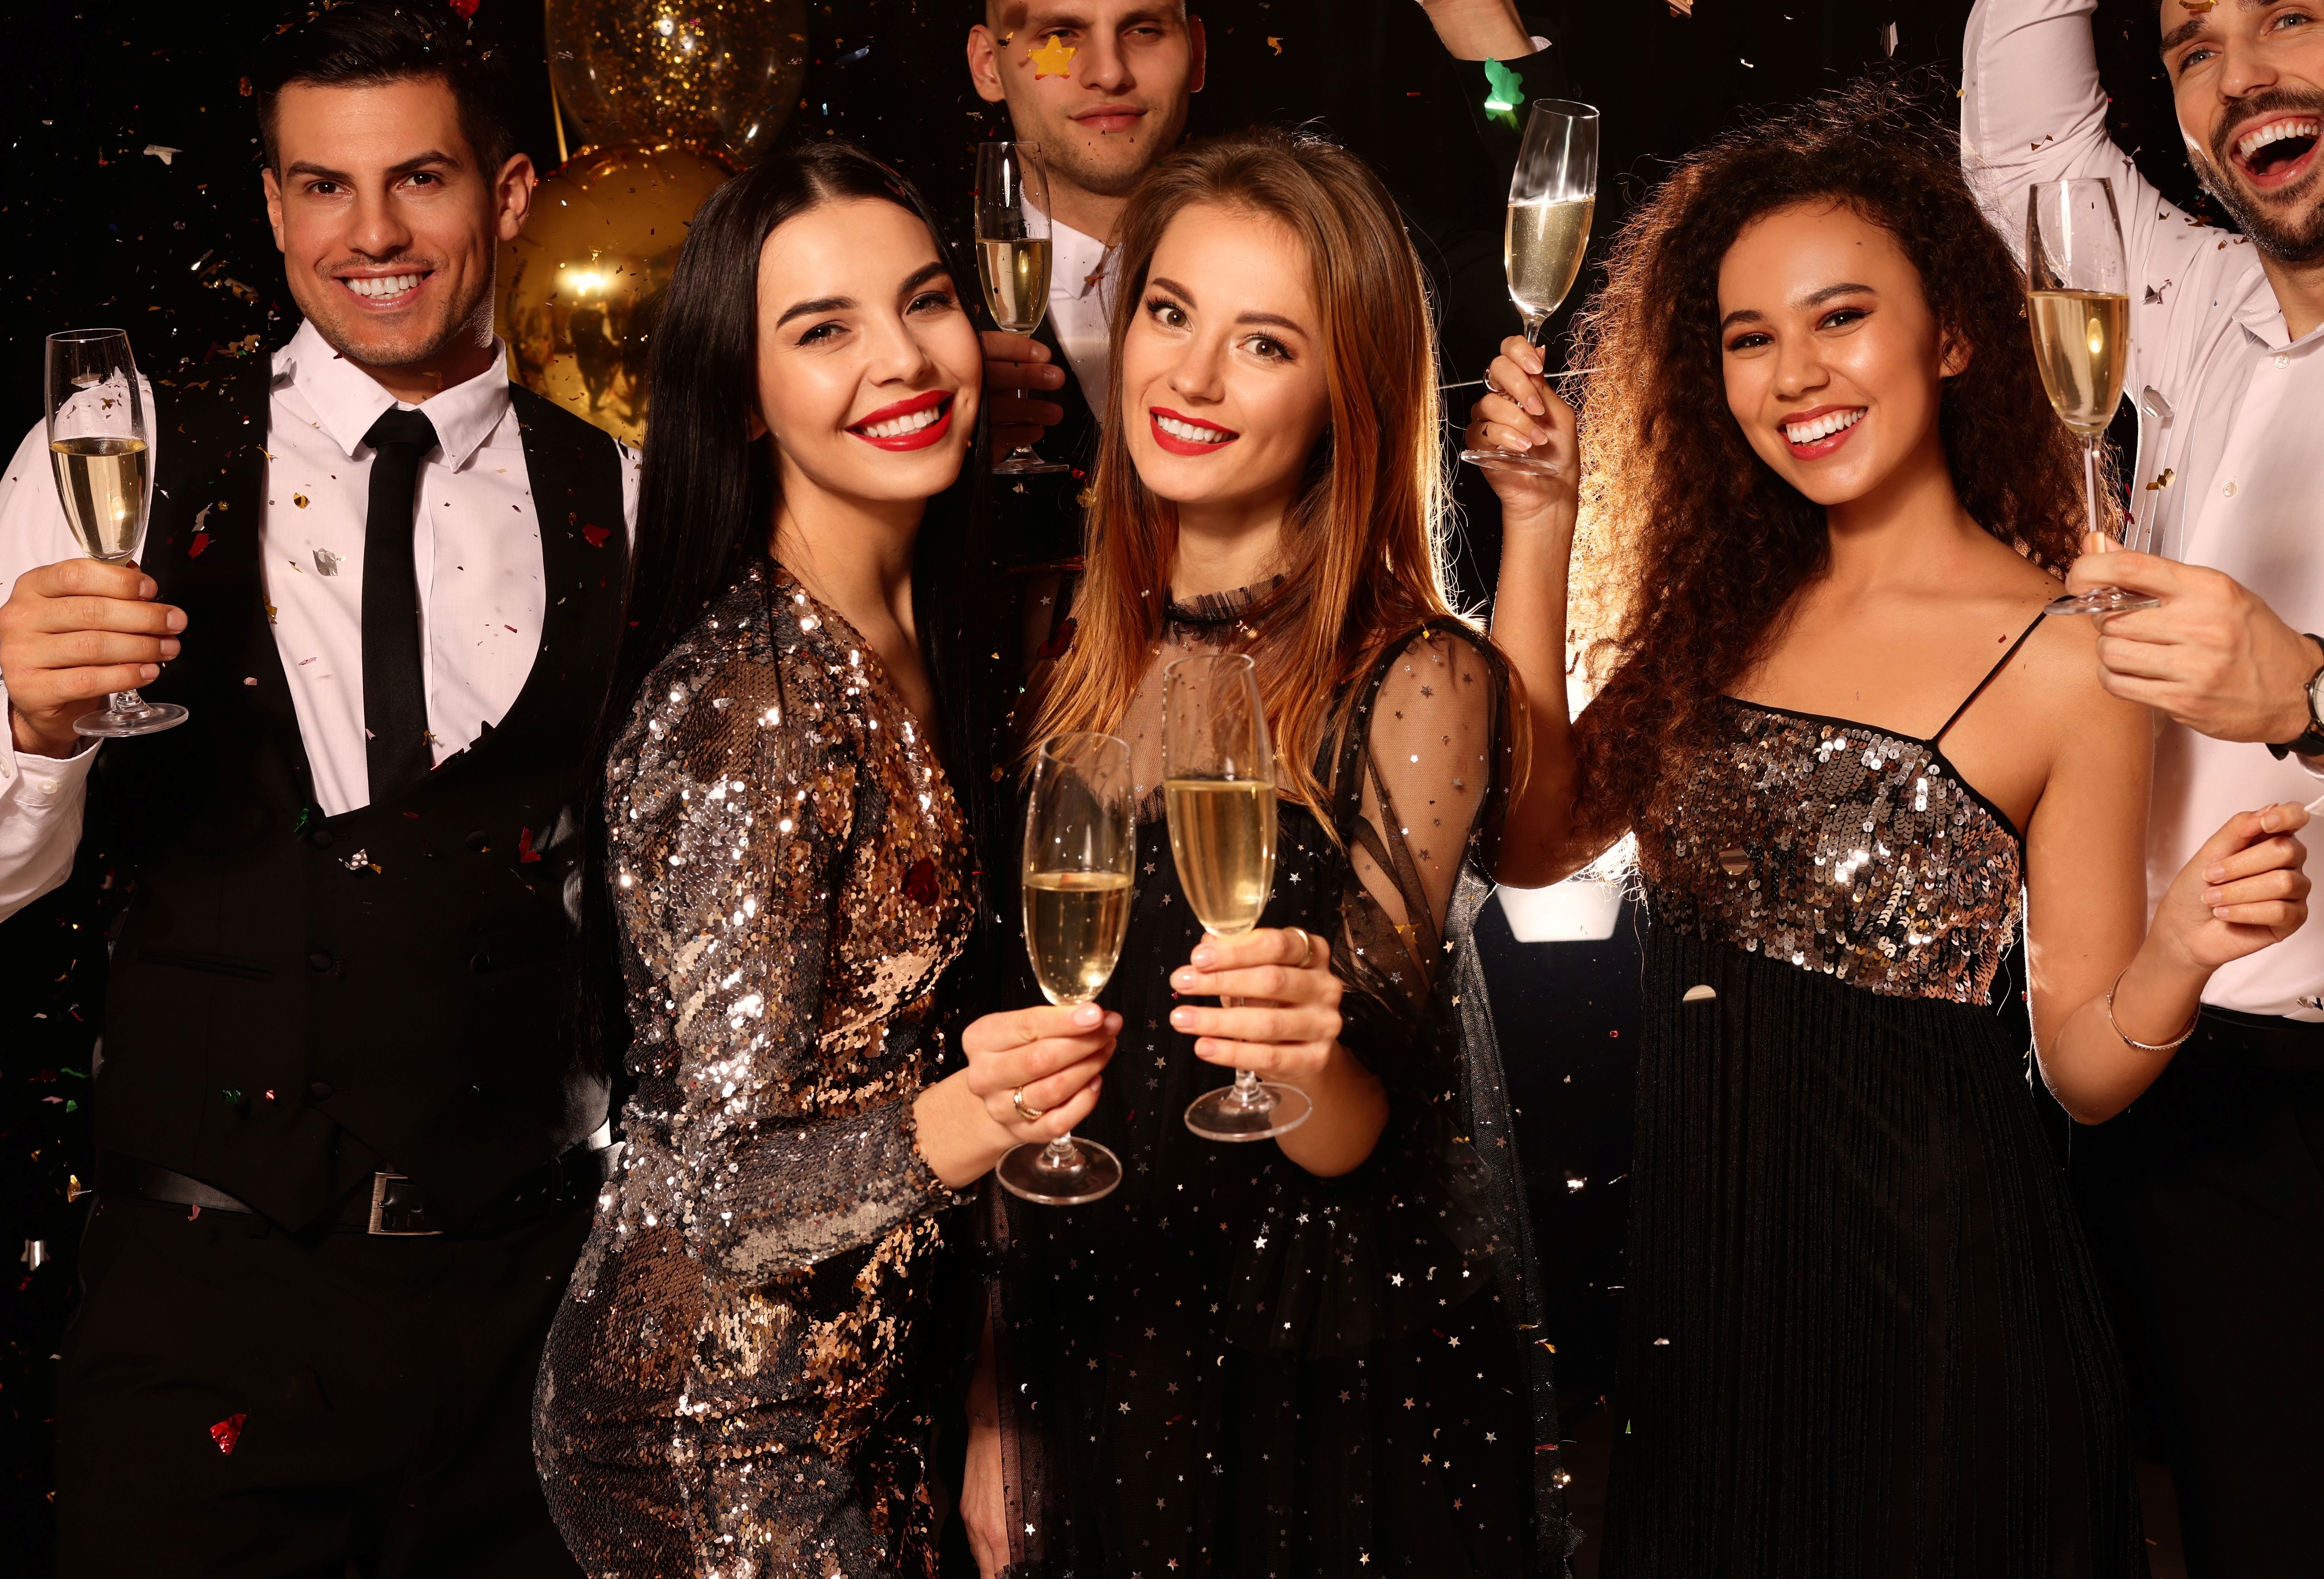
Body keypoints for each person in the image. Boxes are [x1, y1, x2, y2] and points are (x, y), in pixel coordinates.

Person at [1463, 85, 2311, 1576]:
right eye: (1748, 337)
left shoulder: (2067, 651)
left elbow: (2089, 1071)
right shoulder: (1713, 607)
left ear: (1956, 334)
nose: (1796, 373)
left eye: (1840, 316)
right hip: (1710, 1324)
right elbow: (1529, 841)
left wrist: (2181, 946)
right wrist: (1539, 521)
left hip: (1952, 1338)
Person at [0, 0, 635, 1574]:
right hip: (209, 1312)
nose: (372, 232)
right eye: (320, 185)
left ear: (507, 196)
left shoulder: (619, 489)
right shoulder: (115, 448)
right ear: (274, 201)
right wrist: (24, 723)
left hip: (526, 1320)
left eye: (418, 179)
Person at [961, 129, 1563, 1578]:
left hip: (1315, 1363)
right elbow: (1007, 1065)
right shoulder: (1043, 640)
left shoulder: (1414, 681)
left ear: (1345, 391)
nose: (1193, 377)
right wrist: (987, 1385)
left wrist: (1299, 1060)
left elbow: (1360, 1128)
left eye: (1265, 342)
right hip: (1086, 1327)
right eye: (1169, 313)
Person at [531, 145, 1125, 1577]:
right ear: (740, 397)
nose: (898, 359)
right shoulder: (745, 713)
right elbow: (720, 1197)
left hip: (878, 1389)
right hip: (715, 1430)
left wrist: (984, 1369)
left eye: (921, 304)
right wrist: (973, 1118)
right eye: (822, 329)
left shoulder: (941, 628)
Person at [1960, 0, 2324, 1576]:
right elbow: (2019, 136)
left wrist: (2310, 698)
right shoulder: (2171, 295)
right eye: (2188, 44)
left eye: (2289, 15)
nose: (2234, 64)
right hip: (2204, 1091)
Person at [969, 0, 1565, 488]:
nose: (1107, 72)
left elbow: (1579, 304)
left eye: (1144, 30)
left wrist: (1476, 15)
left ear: (1196, 51)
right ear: (987, 64)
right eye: (1060, 35)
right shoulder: (924, 303)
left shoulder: (1319, 230)